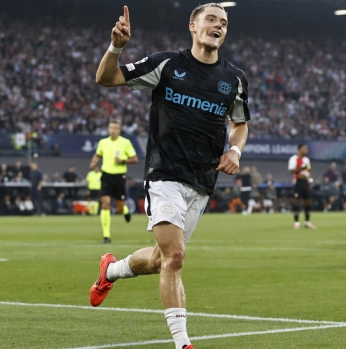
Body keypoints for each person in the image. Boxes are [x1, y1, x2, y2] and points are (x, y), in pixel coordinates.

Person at [89, 4, 250, 349]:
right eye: (211, 19)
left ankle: (111, 271)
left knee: (163, 259)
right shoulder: (166, 65)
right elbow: (106, 78)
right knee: (175, 257)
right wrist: (116, 47)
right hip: (163, 174)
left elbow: (239, 123)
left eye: (223, 22)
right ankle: (182, 343)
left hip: (202, 181)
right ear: (193, 26)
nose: (218, 26)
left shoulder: (233, 79)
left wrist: (234, 151)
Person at [89, 120, 138, 243]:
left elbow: (135, 159)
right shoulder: (103, 142)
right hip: (106, 176)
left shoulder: (125, 143)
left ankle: (125, 211)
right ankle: (106, 235)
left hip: (119, 177)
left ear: (119, 130)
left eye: (115, 128)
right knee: (105, 204)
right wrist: (93, 162)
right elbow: (97, 155)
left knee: (119, 209)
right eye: (111, 127)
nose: (112, 130)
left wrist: (123, 160)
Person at [288, 144, 315, 229]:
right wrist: (301, 168)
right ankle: (296, 222)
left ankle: (307, 222)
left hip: (305, 182)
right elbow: (291, 172)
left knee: (308, 202)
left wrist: (310, 181)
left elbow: (309, 170)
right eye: (304, 148)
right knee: (297, 201)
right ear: (299, 149)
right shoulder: (294, 159)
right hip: (298, 181)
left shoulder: (307, 160)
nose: (306, 150)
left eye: (307, 148)